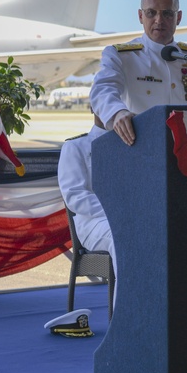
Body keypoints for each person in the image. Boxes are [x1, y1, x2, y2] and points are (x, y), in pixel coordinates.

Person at [90, 0, 187, 147]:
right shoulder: (121, 56)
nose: (159, 20)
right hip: (142, 148)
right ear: (140, 16)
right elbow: (102, 90)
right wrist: (118, 113)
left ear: (179, 17)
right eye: (151, 13)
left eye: (167, 13)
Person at [58, 110, 115, 266]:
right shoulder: (75, 146)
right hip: (94, 222)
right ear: (94, 108)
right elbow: (75, 196)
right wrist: (117, 213)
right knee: (122, 236)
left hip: (133, 219)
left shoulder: (135, 145)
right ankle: (126, 291)